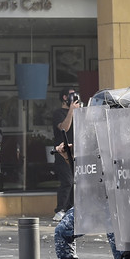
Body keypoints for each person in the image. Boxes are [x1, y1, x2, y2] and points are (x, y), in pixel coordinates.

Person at [52, 88, 80, 222]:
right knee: (67, 181)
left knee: (77, 181)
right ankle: (60, 210)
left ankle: (71, 209)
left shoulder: (77, 113)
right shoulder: (58, 113)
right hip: (62, 151)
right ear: (64, 98)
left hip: (75, 151)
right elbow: (64, 128)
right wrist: (71, 111)